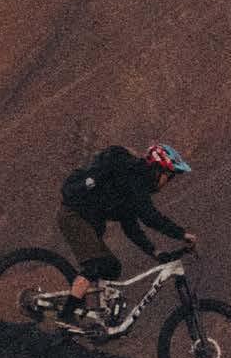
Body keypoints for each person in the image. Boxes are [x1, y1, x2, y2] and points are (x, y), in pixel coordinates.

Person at [55, 142, 197, 333]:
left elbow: (131, 227)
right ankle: (66, 315)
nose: (167, 182)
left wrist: (154, 251)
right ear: (157, 170)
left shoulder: (132, 185)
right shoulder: (133, 178)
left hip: (88, 220)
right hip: (74, 216)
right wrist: (181, 233)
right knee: (97, 264)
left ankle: (94, 313)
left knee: (112, 268)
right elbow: (150, 217)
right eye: (168, 176)